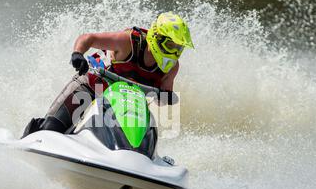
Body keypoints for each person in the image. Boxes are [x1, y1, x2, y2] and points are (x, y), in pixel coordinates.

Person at [22, 12, 194, 137]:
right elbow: (88, 38)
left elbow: (161, 99)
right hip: (90, 88)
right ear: (157, 37)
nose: (175, 52)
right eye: (171, 45)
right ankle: (34, 139)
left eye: (179, 47)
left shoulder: (171, 67)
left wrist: (166, 98)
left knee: (137, 139)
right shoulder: (128, 42)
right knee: (50, 130)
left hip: (126, 104)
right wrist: (78, 54)